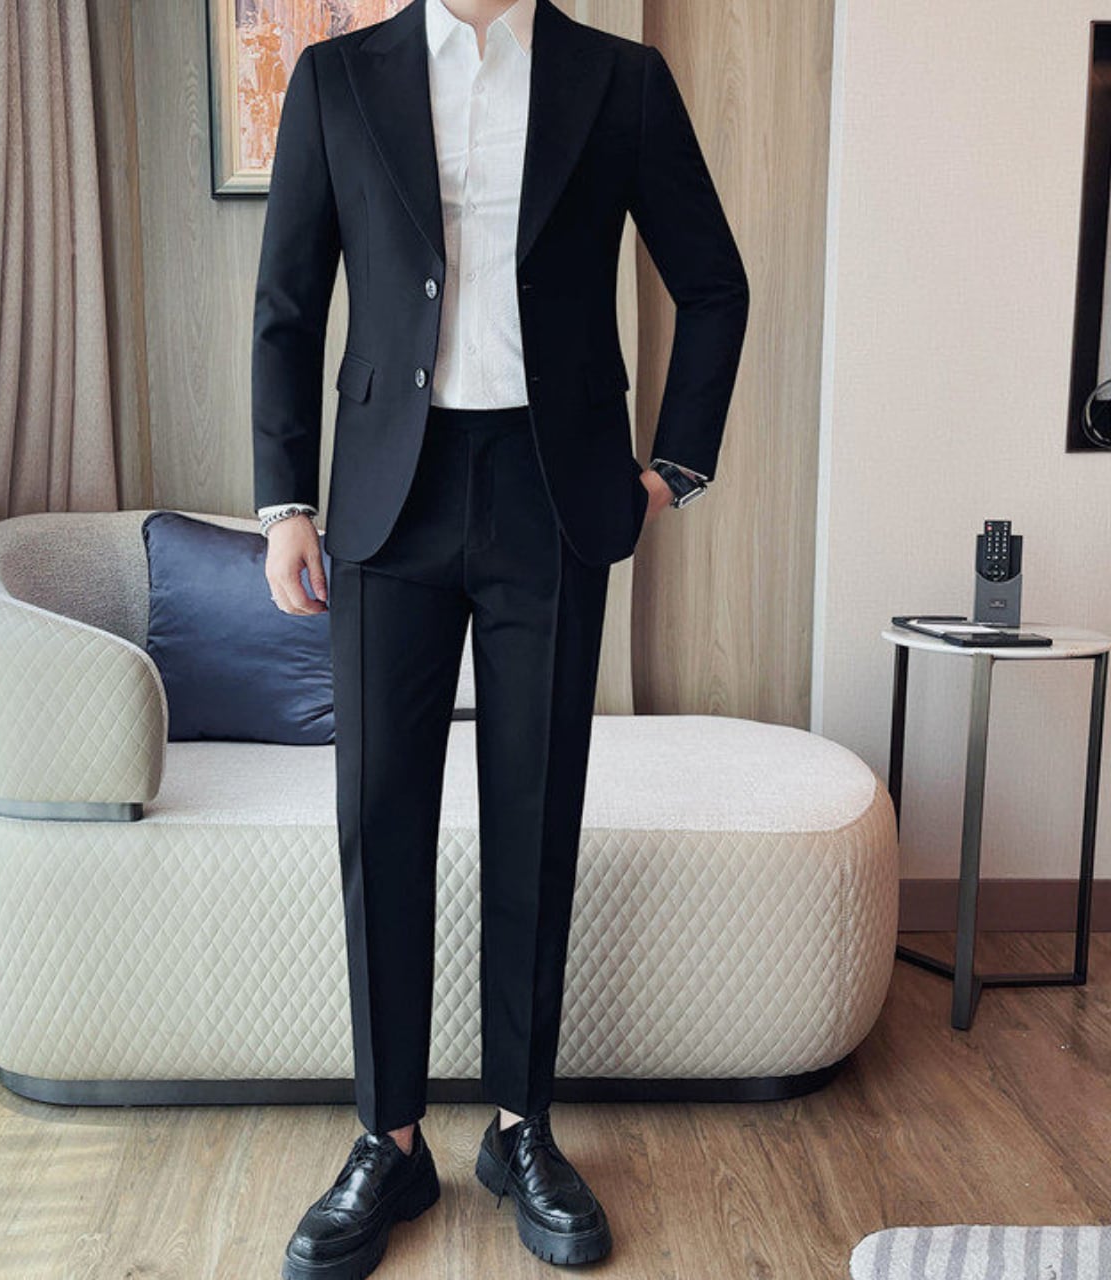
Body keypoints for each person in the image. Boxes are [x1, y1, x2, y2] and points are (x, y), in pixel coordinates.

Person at [250, 0, 748, 1274]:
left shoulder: (620, 80)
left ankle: (522, 1124)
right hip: (386, 499)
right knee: (378, 811)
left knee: (534, 807)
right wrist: (284, 504)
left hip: (552, 490)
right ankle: (388, 1138)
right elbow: (288, 301)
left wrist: (672, 468)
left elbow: (713, 283)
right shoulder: (334, 80)